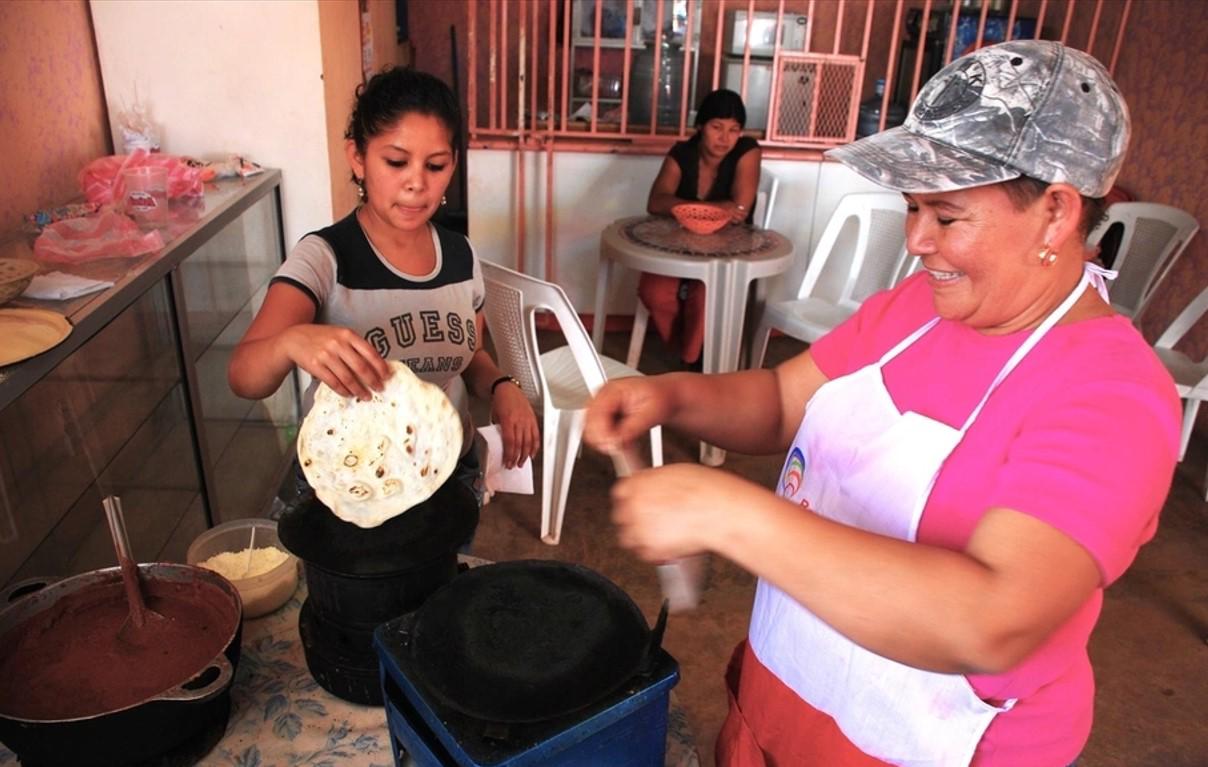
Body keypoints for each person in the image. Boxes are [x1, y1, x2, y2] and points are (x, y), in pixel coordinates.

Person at [584, 40, 1181, 766]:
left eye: (947, 215)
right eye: (912, 208)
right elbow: (780, 399)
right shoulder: (916, 308)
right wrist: (668, 394)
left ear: (1055, 212)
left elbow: (992, 619)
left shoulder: (1113, 393)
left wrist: (728, 512)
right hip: (792, 684)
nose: (915, 240)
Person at [228, 67, 539, 513]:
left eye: (436, 165)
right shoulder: (326, 257)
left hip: (448, 473)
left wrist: (502, 386)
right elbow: (243, 376)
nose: (417, 182)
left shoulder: (459, 255)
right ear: (358, 157)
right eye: (396, 162)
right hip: (352, 485)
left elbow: (466, 355)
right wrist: (290, 341)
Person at [638, 89, 762, 367]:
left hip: (727, 249)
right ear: (700, 127)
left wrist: (685, 207)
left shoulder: (747, 151)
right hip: (679, 245)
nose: (725, 138)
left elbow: (740, 208)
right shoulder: (682, 153)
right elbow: (655, 201)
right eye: (716, 127)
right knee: (654, 291)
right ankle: (687, 348)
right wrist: (708, 209)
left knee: (706, 294)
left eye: (734, 129)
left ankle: (690, 363)